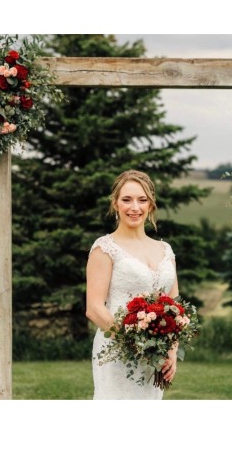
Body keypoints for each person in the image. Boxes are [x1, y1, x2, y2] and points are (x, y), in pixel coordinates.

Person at [85, 169, 179, 400]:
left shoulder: (165, 250)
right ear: (115, 204)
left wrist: (171, 351)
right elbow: (94, 309)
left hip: (156, 358)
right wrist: (137, 345)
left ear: (151, 204)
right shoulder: (105, 248)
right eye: (126, 199)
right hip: (117, 353)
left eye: (142, 200)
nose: (134, 207)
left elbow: (175, 305)